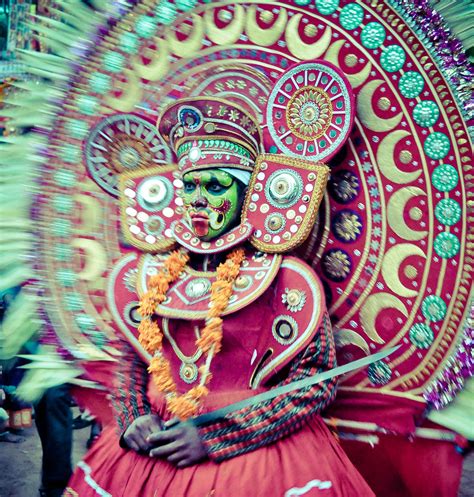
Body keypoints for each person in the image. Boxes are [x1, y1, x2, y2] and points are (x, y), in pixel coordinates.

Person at [65, 71, 375, 496]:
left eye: (215, 186)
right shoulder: (153, 272)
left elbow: (315, 381)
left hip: (253, 462)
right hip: (149, 451)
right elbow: (135, 357)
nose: (198, 199)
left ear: (248, 195)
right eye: (190, 185)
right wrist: (134, 416)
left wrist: (217, 436)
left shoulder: (283, 278)